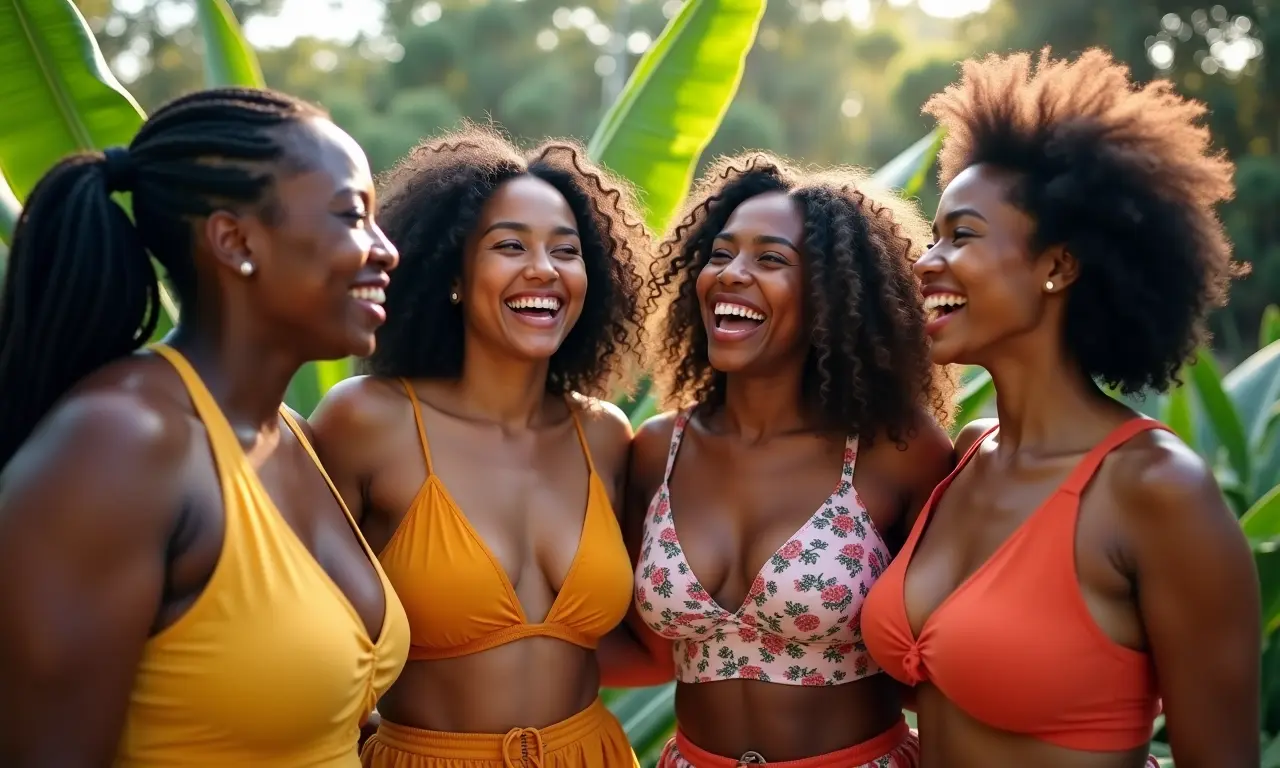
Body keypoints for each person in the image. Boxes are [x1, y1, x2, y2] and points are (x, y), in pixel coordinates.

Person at [861, 49, 1261, 768]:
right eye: (932, 236)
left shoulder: (1157, 492)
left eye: (963, 235)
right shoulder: (964, 456)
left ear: (1058, 266)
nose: (925, 261)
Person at [0, 87, 409, 766]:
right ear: (234, 239)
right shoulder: (122, 446)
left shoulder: (296, 439)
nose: (386, 250)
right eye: (353, 216)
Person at [309, 123, 660, 768]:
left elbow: (647, 646)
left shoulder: (605, 436)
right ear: (453, 272)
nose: (543, 270)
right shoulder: (367, 422)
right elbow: (304, 639)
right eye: (509, 246)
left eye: (566, 250)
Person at [629, 152, 956, 768]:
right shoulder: (656, 452)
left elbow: (946, 668)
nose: (731, 274)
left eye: (771, 259)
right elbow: (632, 648)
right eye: (720, 254)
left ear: (832, 297)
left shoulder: (898, 450)